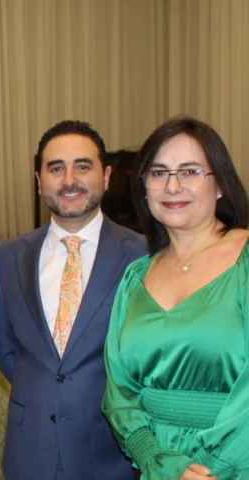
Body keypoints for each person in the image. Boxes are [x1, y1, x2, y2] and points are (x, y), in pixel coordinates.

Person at [0, 120, 146, 480]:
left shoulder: (144, 256)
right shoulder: (9, 256)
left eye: (83, 166)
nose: (69, 179)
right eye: (56, 168)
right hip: (30, 452)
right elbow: (5, 349)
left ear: (106, 176)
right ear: (39, 180)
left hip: (113, 454)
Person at [102, 117, 249, 480]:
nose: (172, 185)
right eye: (158, 172)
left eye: (190, 171)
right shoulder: (135, 277)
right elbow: (119, 393)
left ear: (219, 186)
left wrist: (215, 468)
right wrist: (159, 462)